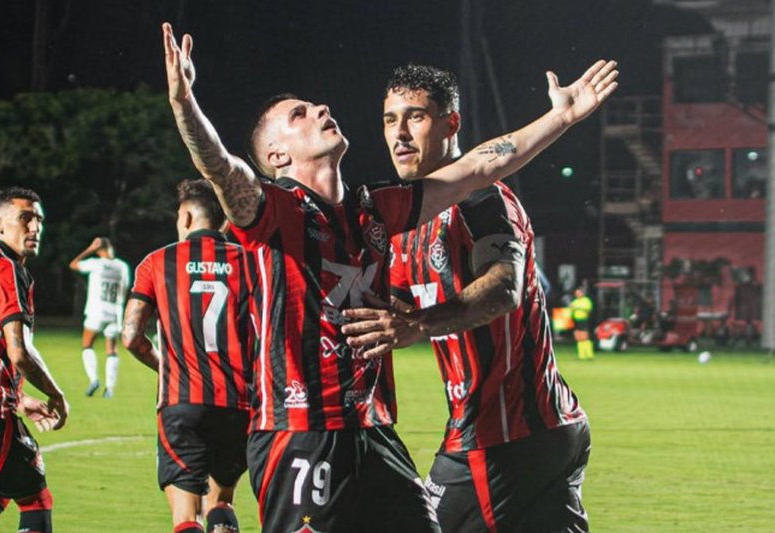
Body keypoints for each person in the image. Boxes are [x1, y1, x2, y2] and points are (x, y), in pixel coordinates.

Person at [162, 21, 616, 532]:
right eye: (299, 114)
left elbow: (477, 169)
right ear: (277, 157)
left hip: (373, 430)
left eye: (316, 105)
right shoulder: (274, 212)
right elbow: (222, 170)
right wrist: (185, 104)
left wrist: (561, 117)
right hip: (302, 432)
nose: (320, 109)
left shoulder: (374, 211)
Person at [342, 64, 602, 531]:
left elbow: (504, 287)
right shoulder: (404, 226)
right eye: (389, 120)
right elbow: (383, 307)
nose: (400, 133)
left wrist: (418, 324)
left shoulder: (482, 201)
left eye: (416, 117)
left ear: (451, 124)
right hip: (546, 428)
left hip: (500, 433)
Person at [121, 180, 252, 533]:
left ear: (187, 216)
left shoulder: (157, 262)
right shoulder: (251, 263)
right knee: (221, 501)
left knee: (186, 517)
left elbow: (131, 337)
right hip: (239, 404)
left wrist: (163, 365)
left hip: (182, 402)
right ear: (227, 221)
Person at [0, 187, 69, 533]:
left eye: (39, 220)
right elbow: (20, 353)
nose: (35, 227)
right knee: (35, 498)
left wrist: (19, 396)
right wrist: (56, 394)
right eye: (25, 218)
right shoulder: (7, 270)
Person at [69, 236, 131, 398]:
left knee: (87, 345)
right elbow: (124, 289)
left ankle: (94, 379)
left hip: (97, 310)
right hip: (115, 312)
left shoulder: (96, 264)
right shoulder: (122, 266)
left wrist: (89, 249)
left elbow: (73, 264)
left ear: (98, 250)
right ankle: (109, 388)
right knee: (112, 350)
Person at [570, 287, 594, 360]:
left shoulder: (586, 300)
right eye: (576, 293)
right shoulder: (574, 301)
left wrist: (578, 308)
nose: (577, 294)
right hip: (576, 320)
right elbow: (571, 310)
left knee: (585, 337)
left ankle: (589, 355)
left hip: (583, 320)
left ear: (582, 293)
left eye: (579, 293)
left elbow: (588, 309)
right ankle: (581, 355)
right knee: (578, 337)